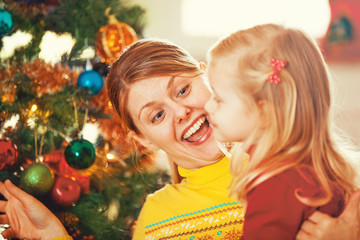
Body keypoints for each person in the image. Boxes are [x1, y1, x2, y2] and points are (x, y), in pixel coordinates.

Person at [0, 38, 358, 240]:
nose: (181, 112)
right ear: (143, 141)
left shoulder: (300, 163)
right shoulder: (157, 219)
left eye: (183, 89)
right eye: (156, 115)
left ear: (208, 77)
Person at [204, 23, 360, 240]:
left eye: (218, 99)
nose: (207, 106)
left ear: (265, 112)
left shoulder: (277, 184)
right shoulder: (309, 169)